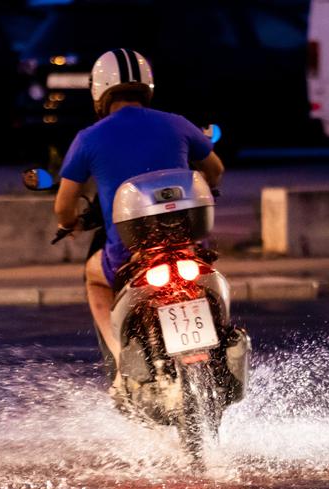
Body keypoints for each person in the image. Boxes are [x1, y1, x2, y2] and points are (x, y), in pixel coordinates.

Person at [53, 49, 225, 365]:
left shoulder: (88, 138)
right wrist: (210, 189)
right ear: (147, 86)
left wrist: (69, 223)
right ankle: (224, 338)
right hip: (185, 246)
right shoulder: (177, 124)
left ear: (99, 90)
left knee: (94, 277)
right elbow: (215, 170)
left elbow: (63, 205)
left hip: (127, 254)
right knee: (210, 276)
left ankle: (120, 363)